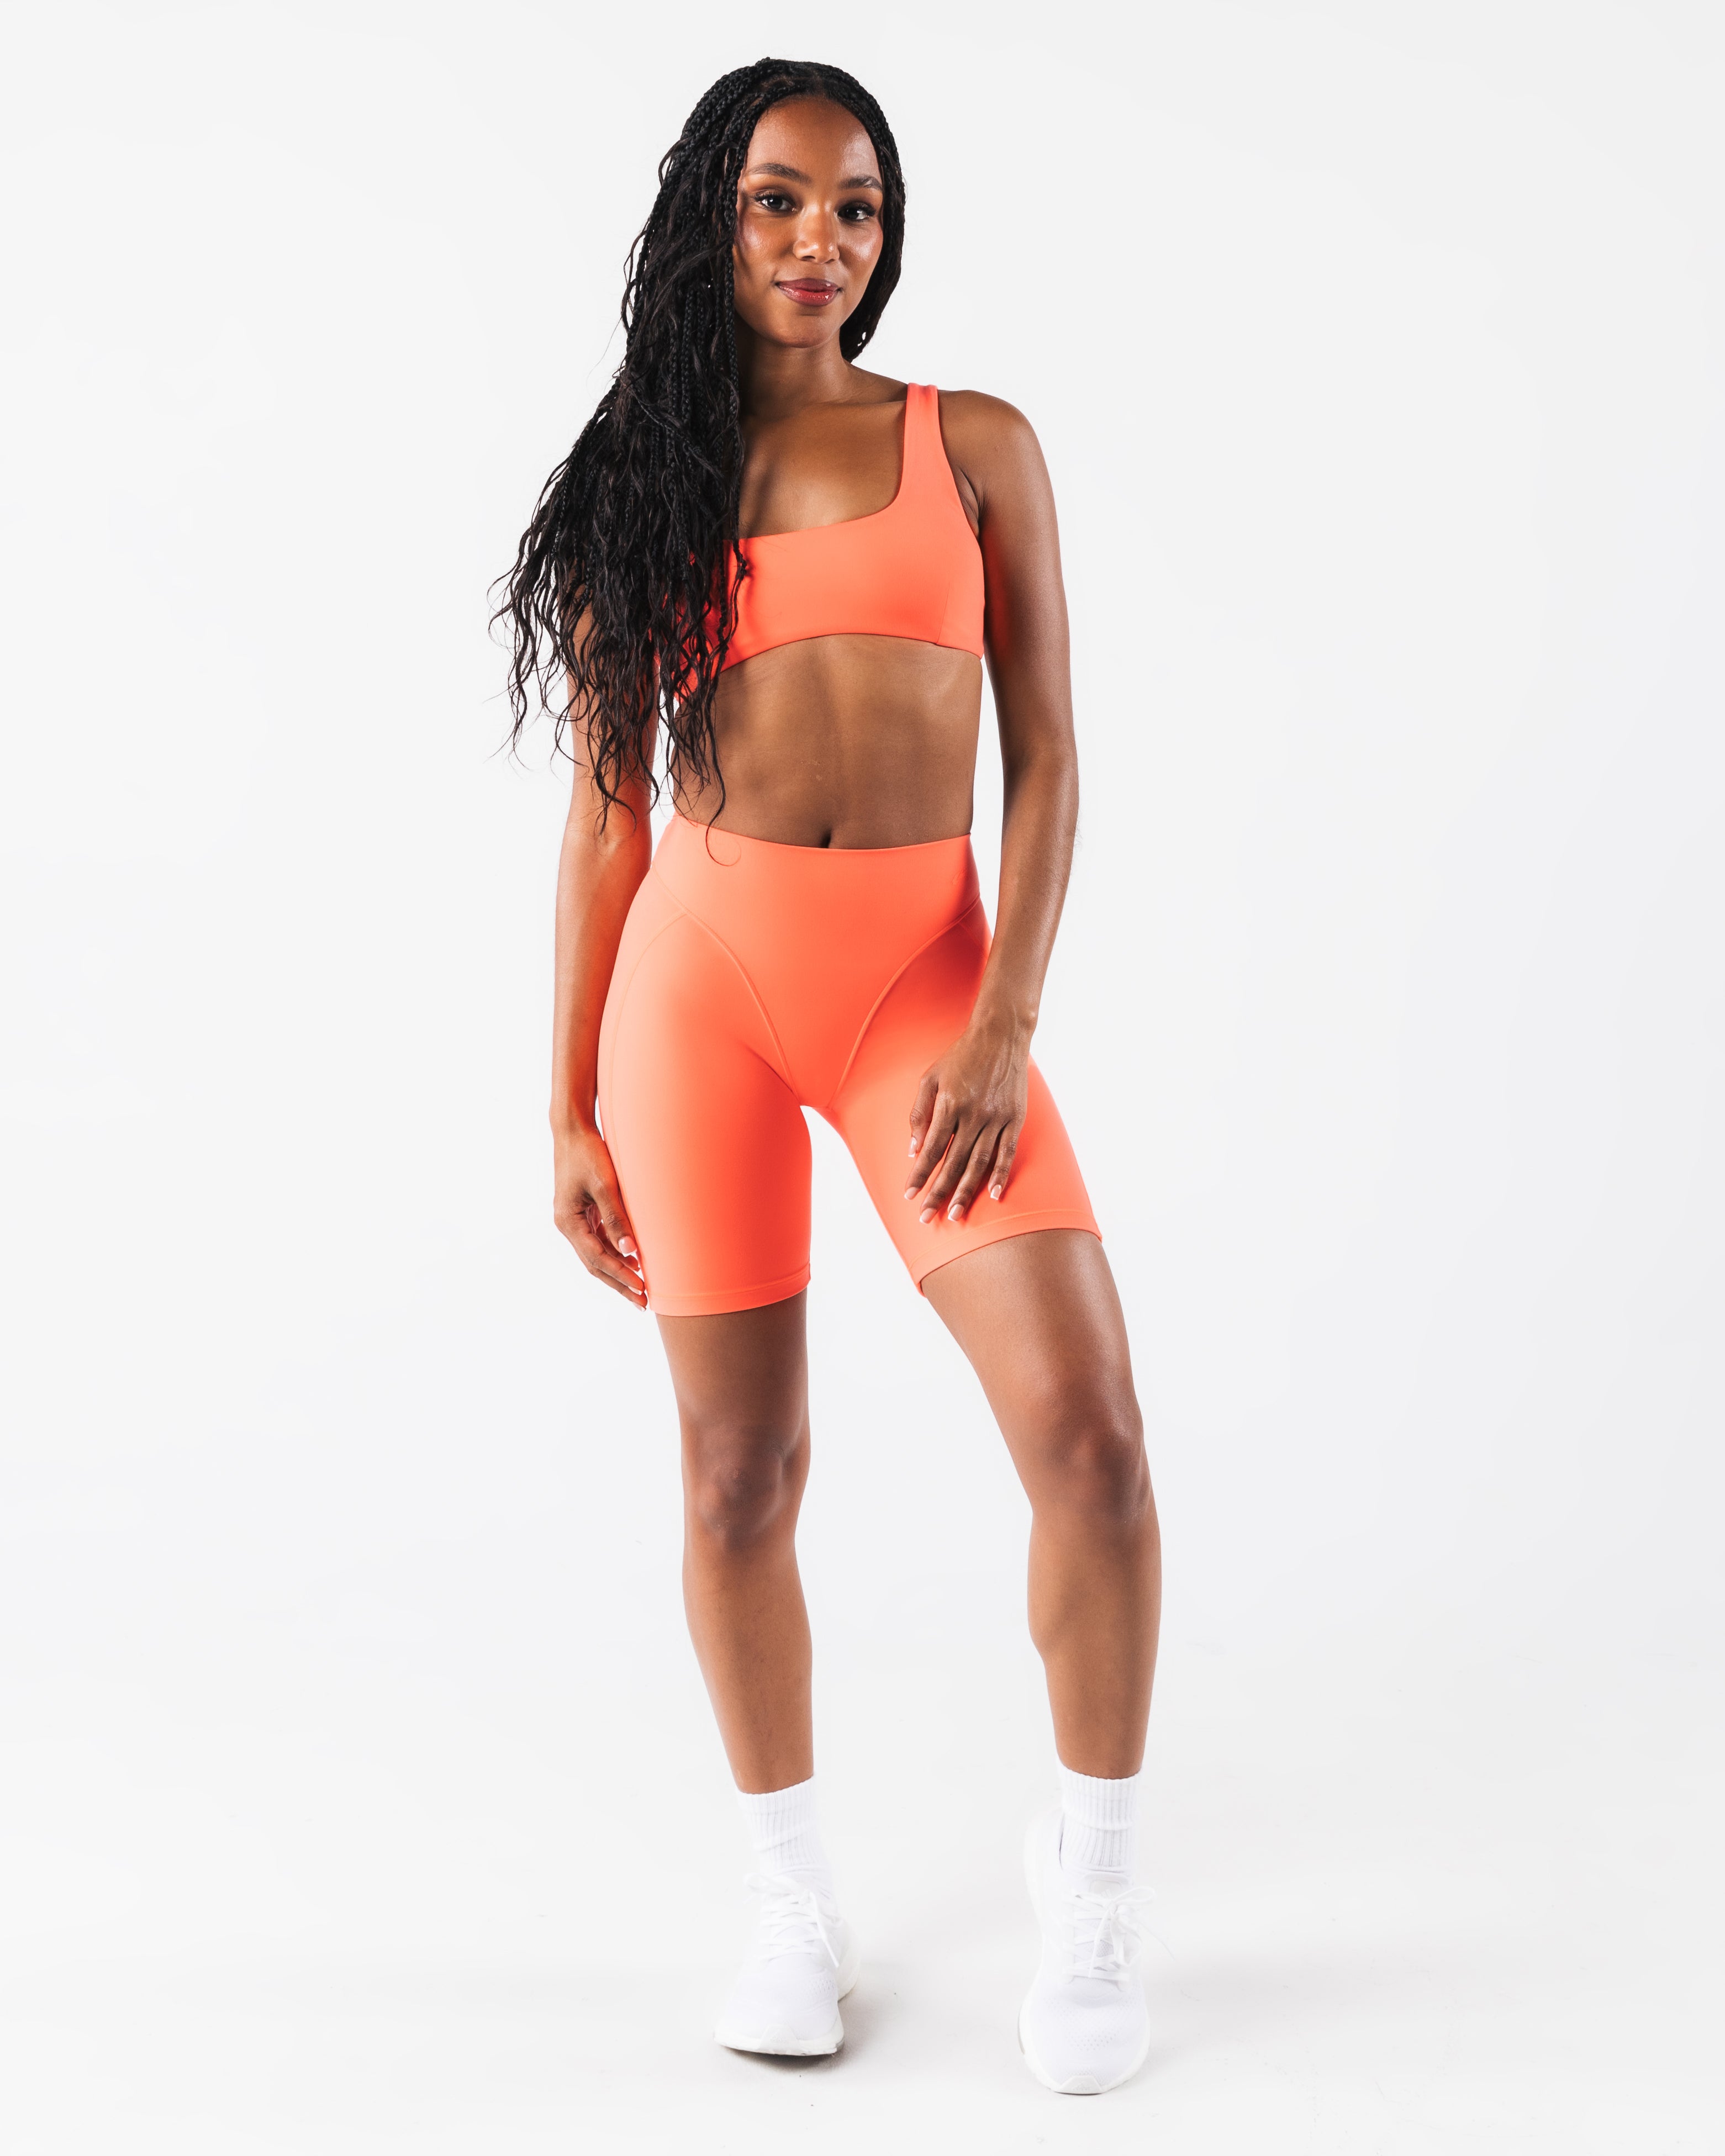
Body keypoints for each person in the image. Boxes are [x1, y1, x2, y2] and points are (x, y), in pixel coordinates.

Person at [498, 56, 1162, 2097]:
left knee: (1088, 1446)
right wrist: (563, 1102)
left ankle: (1097, 1889)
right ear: (714, 217)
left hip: (926, 996)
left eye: (855, 206)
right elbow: (609, 814)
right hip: (698, 989)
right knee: (737, 1475)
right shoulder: (649, 475)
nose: (819, 240)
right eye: (780, 199)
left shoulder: (976, 444)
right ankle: (788, 1894)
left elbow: (1049, 755)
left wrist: (1006, 1020)